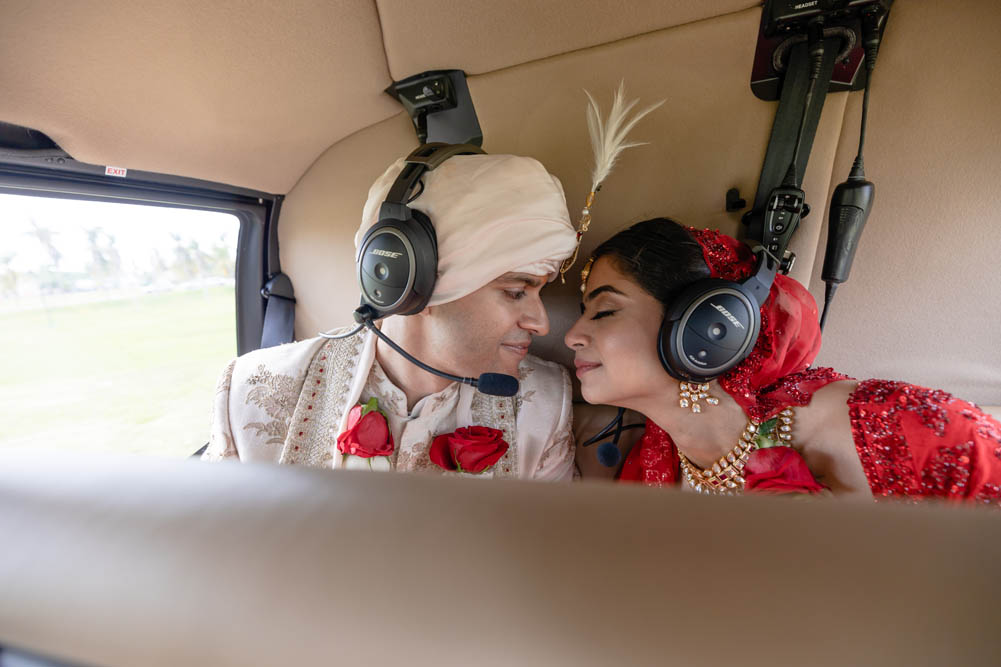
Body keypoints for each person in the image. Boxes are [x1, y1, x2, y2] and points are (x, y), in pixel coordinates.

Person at [202, 150, 579, 481]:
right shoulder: (252, 389)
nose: (541, 324)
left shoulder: (543, 402)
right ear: (415, 283)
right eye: (516, 291)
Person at [565, 218, 1001, 502]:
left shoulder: (893, 424)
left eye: (603, 311)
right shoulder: (649, 473)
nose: (571, 336)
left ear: (707, 324)